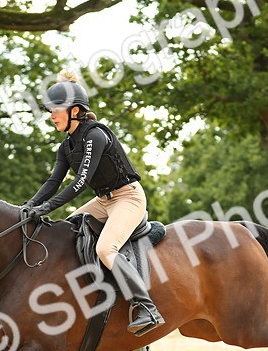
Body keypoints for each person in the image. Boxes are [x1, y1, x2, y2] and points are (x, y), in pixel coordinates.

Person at [22, 73, 164, 336]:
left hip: (128, 197)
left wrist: (45, 208)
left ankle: (146, 307)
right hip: (102, 201)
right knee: (67, 231)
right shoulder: (66, 147)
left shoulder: (95, 136)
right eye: (50, 110)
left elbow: (80, 183)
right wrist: (28, 207)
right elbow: (53, 181)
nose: (51, 115)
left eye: (56, 110)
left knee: (106, 248)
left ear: (75, 111)